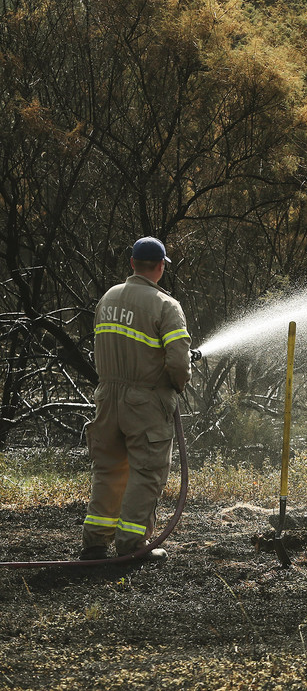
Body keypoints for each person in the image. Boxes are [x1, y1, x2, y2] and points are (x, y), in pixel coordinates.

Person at [80, 237, 191, 561]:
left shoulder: (108, 299)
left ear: (131, 263)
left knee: (109, 470)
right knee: (146, 471)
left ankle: (95, 545)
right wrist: (177, 385)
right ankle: (131, 546)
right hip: (144, 402)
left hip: (106, 398)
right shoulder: (165, 305)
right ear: (160, 267)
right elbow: (178, 362)